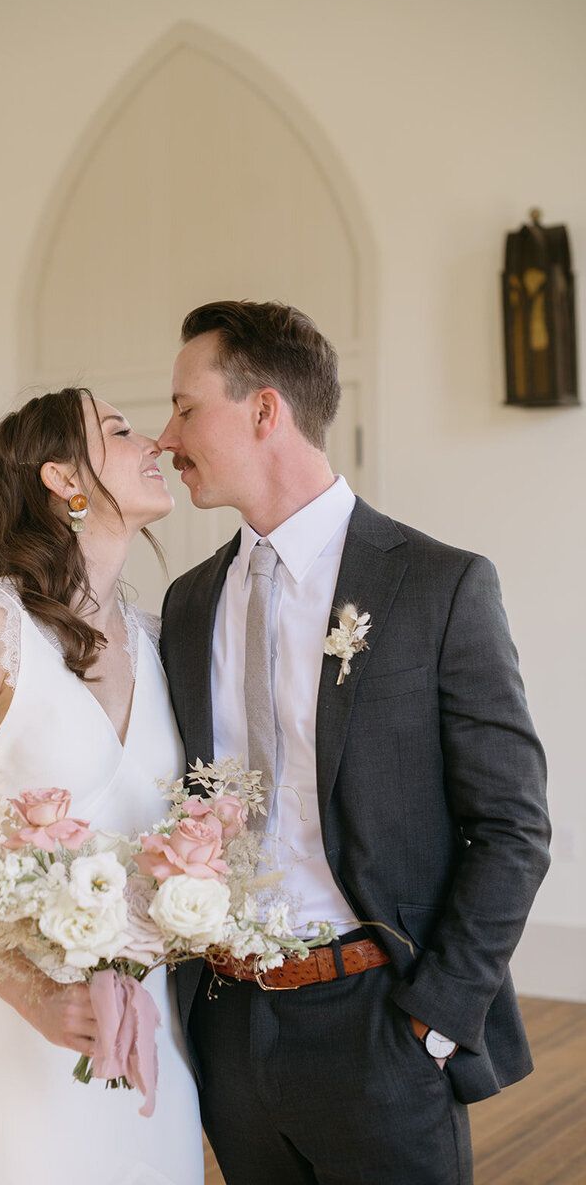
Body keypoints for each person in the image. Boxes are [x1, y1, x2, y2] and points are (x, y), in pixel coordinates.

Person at [156, 301, 551, 1185]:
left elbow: (514, 828)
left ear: (264, 411)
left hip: (382, 1026)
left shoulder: (441, 586)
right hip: (228, 1026)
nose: (166, 434)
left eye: (186, 408)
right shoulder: (187, 606)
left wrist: (435, 1021)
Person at [0, 388, 204, 1185]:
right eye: (119, 430)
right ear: (64, 479)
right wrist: (37, 997)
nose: (155, 444)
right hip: (12, 1029)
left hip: (143, 1023)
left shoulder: (158, 637)